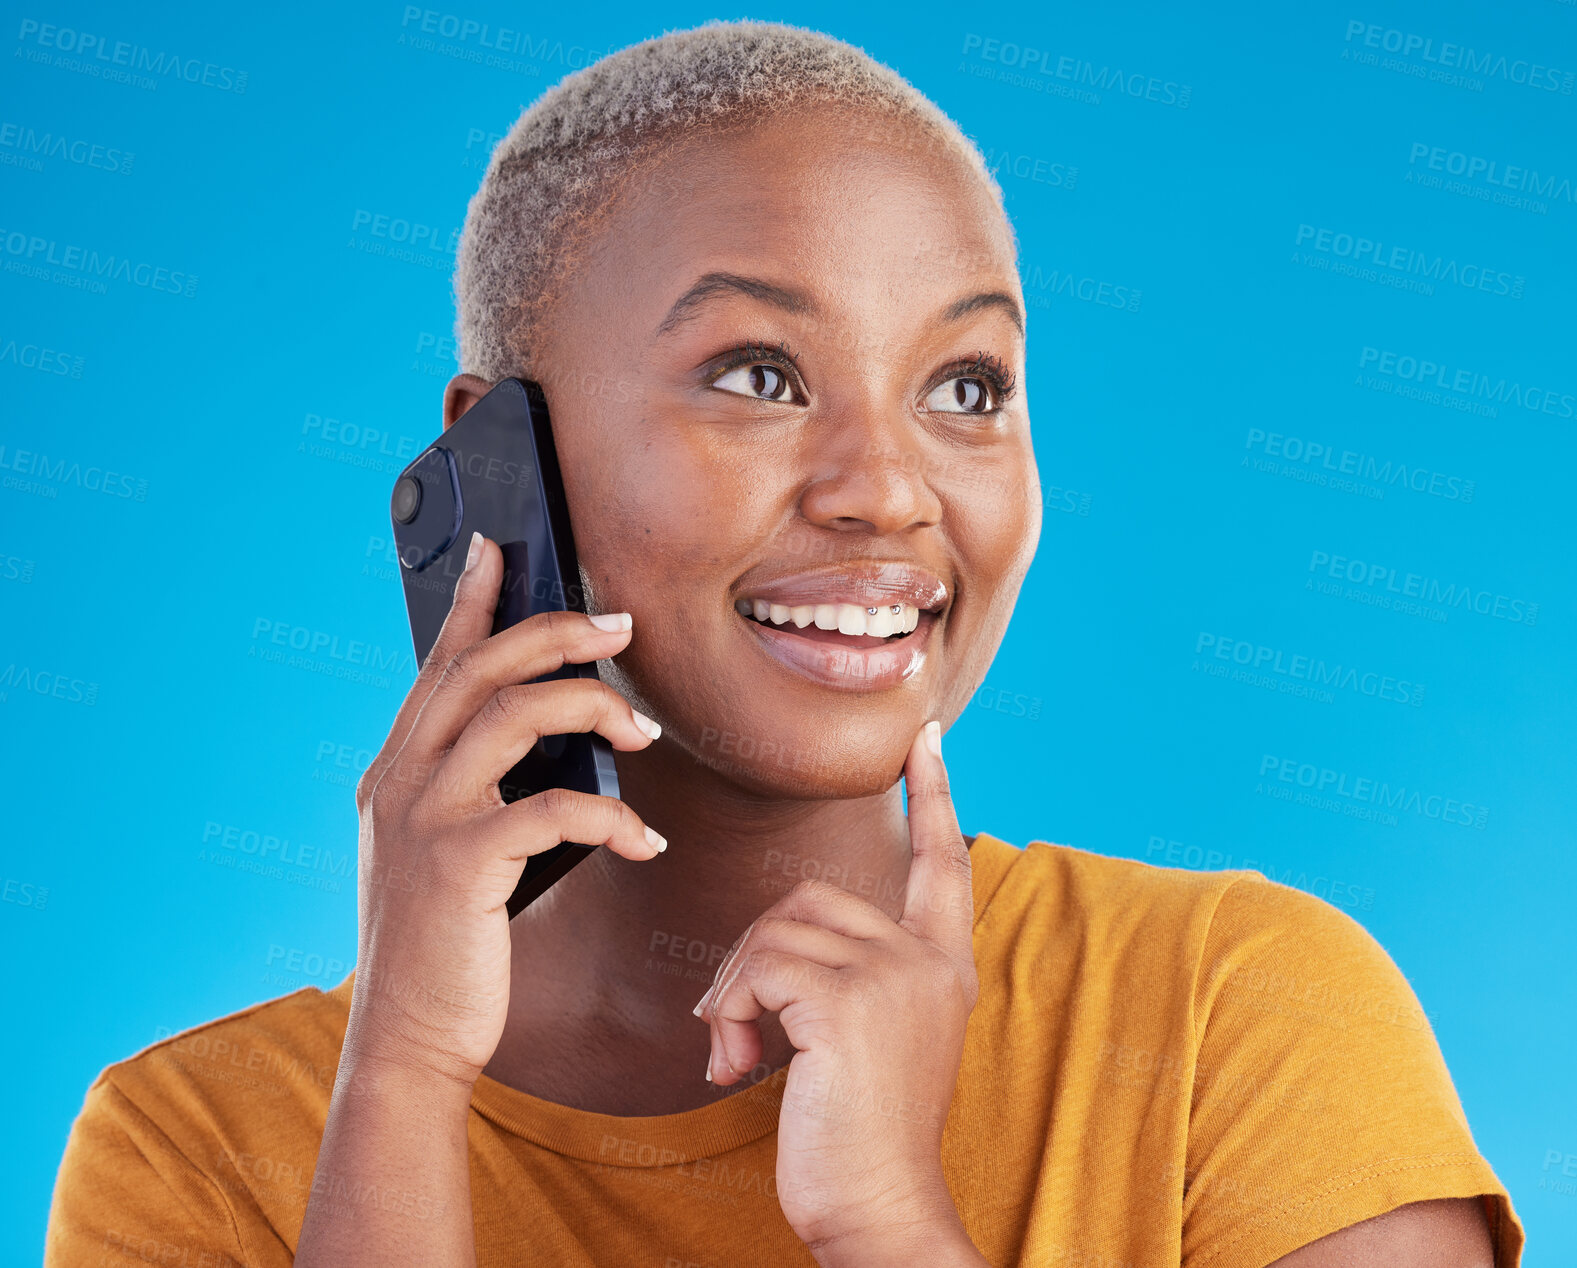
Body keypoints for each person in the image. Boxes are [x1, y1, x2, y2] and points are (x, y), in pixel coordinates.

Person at [47, 20, 1522, 1267]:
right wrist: (405, 1083)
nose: (886, 488)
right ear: (503, 457)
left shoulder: (1232, 1017)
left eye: (964, 385)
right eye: (757, 375)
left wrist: (889, 1218)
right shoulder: (201, 1148)